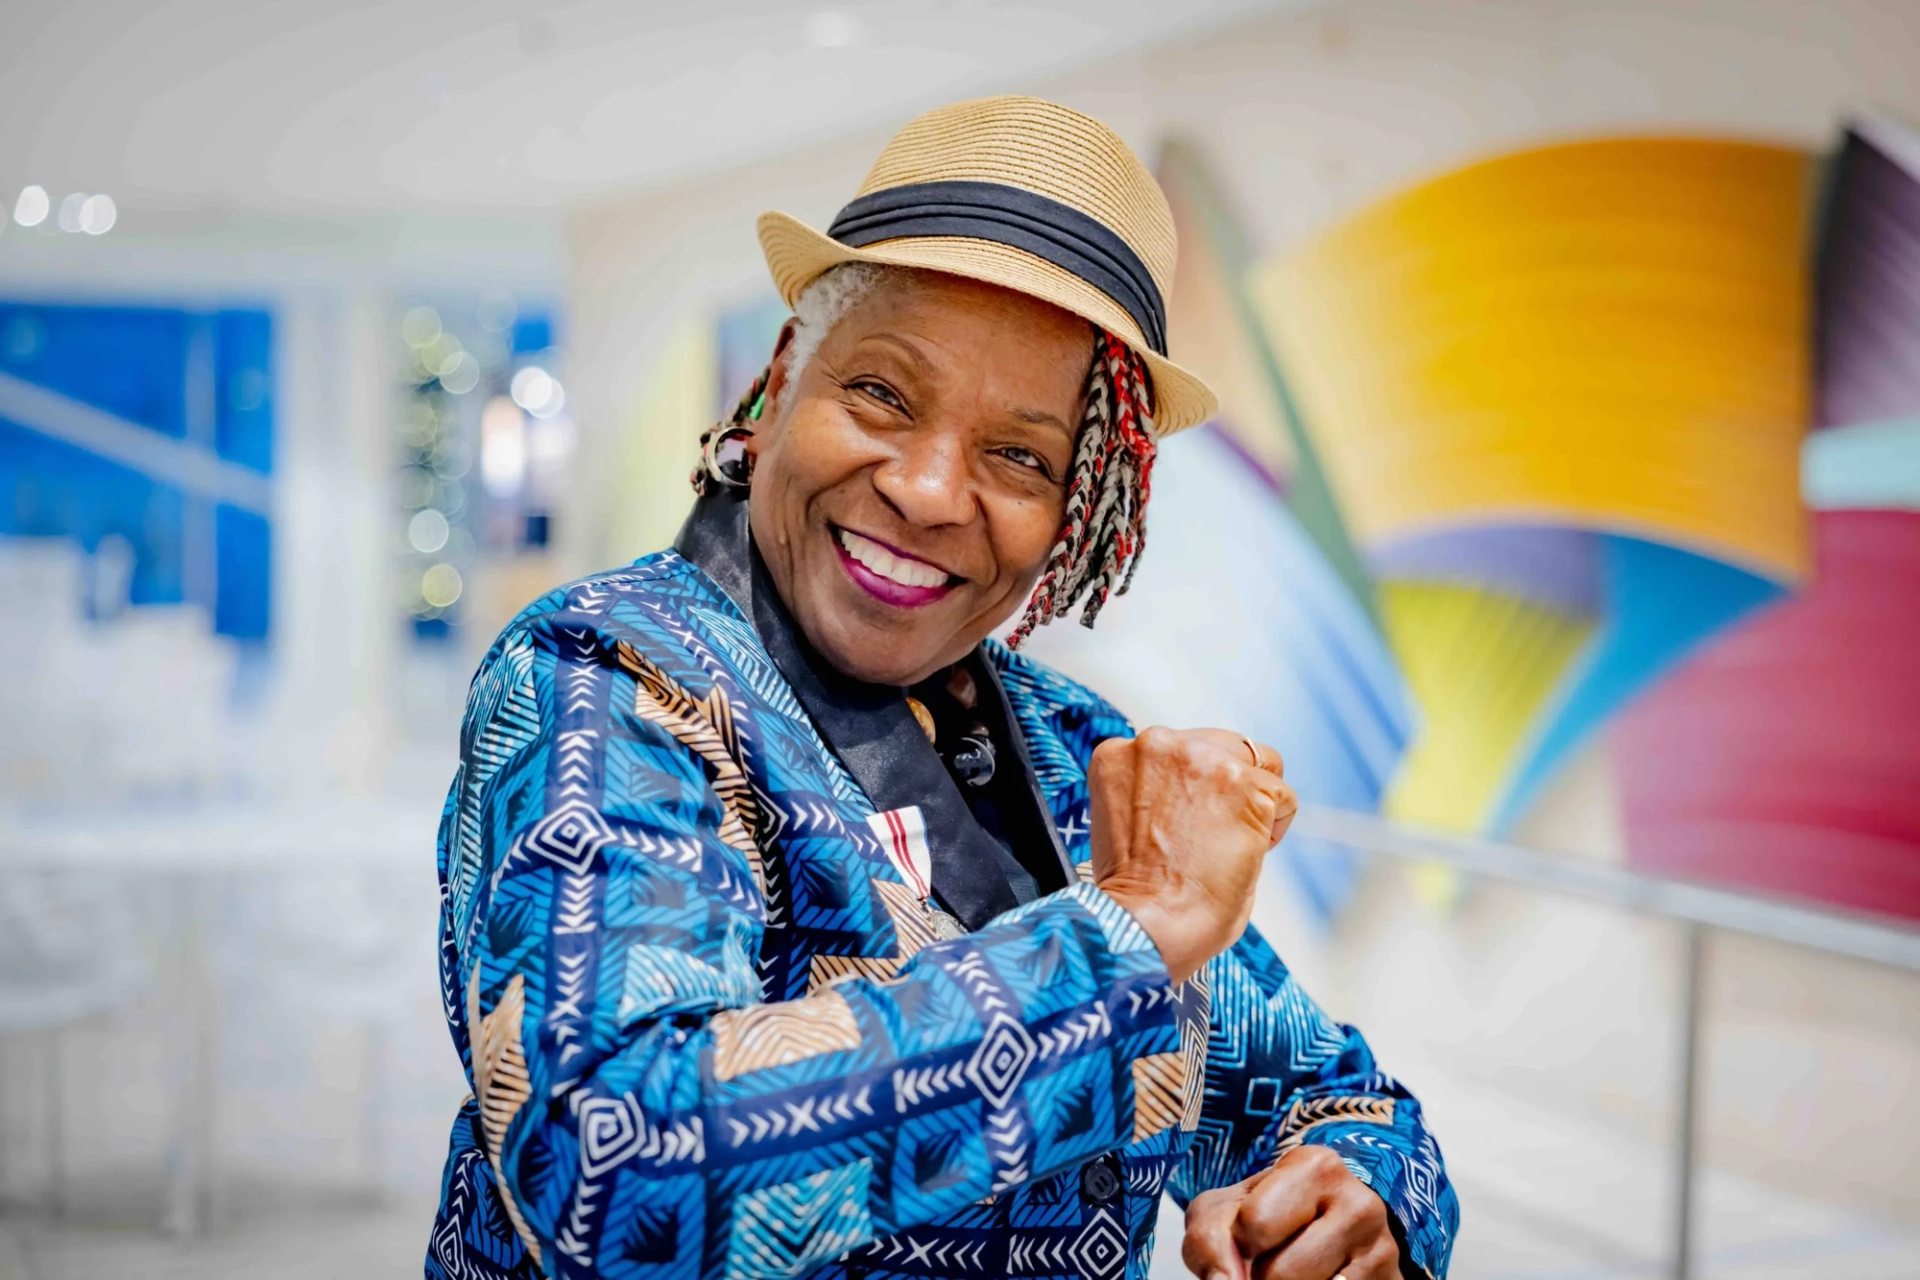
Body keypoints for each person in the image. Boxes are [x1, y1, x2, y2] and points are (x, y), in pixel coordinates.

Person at [425, 96, 1457, 1280]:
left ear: (1082, 510)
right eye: (880, 393)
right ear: (776, 390)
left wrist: (1359, 1192)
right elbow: (613, 1171)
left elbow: (1345, 1103)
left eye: (1019, 455)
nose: (925, 489)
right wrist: (1122, 938)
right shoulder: (603, 680)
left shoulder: (1079, 756)